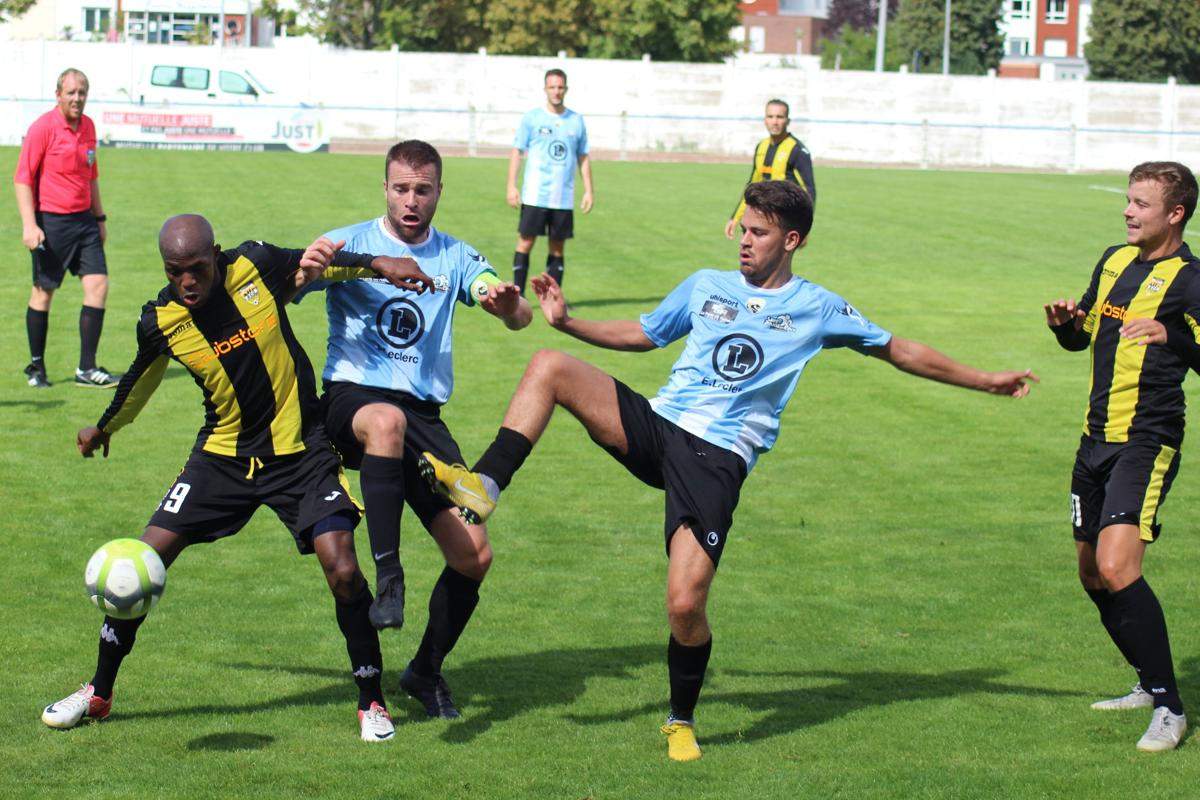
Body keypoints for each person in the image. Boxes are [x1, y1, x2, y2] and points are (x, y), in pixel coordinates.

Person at [420, 180, 1036, 761]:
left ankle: (681, 720)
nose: (744, 240)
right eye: (743, 228)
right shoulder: (706, 284)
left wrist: (985, 380)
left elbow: (899, 349)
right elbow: (644, 333)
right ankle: (486, 484)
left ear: (791, 240)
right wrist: (569, 320)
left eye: (759, 232)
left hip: (715, 461)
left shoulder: (817, 307)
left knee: (685, 605)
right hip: (660, 427)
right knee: (551, 363)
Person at [40, 214, 434, 743]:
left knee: (342, 569)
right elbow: (139, 380)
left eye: (197, 269)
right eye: (175, 272)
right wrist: (105, 427)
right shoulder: (161, 319)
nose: (187, 282)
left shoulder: (253, 264)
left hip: (301, 454)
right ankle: (98, 692)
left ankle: (371, 701)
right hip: (221, 460)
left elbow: (316, 261)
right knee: (137, 565)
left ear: (217, 255)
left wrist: (378, 264)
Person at [296, 140, 532, 719]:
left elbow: (511, 310)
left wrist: (505, 304)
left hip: (424, 418)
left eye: (422, 190)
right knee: (385, 420)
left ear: (438, 193)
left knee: (473, 556)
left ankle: (424, 671)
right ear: (384, 188)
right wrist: (305, 270)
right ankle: (390, 575)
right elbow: (295, 288)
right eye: (400, 188)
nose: (410, 200)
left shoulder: (454, 256)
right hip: (354, 400)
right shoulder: (350, 243)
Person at [1044, 161, 1200, 753]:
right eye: (1128, 201)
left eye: (1141, 203)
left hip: (1146, 441)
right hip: (1094, 440)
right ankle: (1146, 678)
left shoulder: (1190, 280)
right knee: (1091, 573)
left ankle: (1169, 707)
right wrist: (1064, 327)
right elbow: (1082, 334)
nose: (1128, 211)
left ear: (1175, 213)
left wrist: (1174, 338)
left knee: (1117, 567)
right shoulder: (1113, 259)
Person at [14, 67, 119, 389]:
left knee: (98, 285)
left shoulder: (88, 126)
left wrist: (99, 218)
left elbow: (92, 176)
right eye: (71, 92)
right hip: (52, 222)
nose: (77, 98)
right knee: (44, 292)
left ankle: (86, 369)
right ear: (58, 94)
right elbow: (22, 179)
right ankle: (36, 368)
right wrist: (30, 225)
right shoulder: (43, 128)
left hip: (84, 221)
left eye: (82, 92)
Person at [507, 68, 593, 295]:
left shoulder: (576, 121)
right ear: (545, 89)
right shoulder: (532, 118)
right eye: (552, 87)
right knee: (525, 242)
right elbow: (517, 151)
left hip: (562, 197)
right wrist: (511, 185)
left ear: (566, 89)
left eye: (560, 87)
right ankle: (518, 295)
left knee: (557, 247)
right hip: (535, 194)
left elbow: (583, 156)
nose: (556, 91)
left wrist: (588, 191)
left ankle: (553, 298)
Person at [724, 99, 815, 240]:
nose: (775, 121)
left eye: (780, 117)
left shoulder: (798, 150)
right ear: (765, 120)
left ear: (788, 121)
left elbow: (809, 190)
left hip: (785, 224)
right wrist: (735, 218)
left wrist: (805, 228)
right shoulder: (761, 147)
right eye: (770, 116)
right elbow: (752, 186)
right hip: (762, 220)